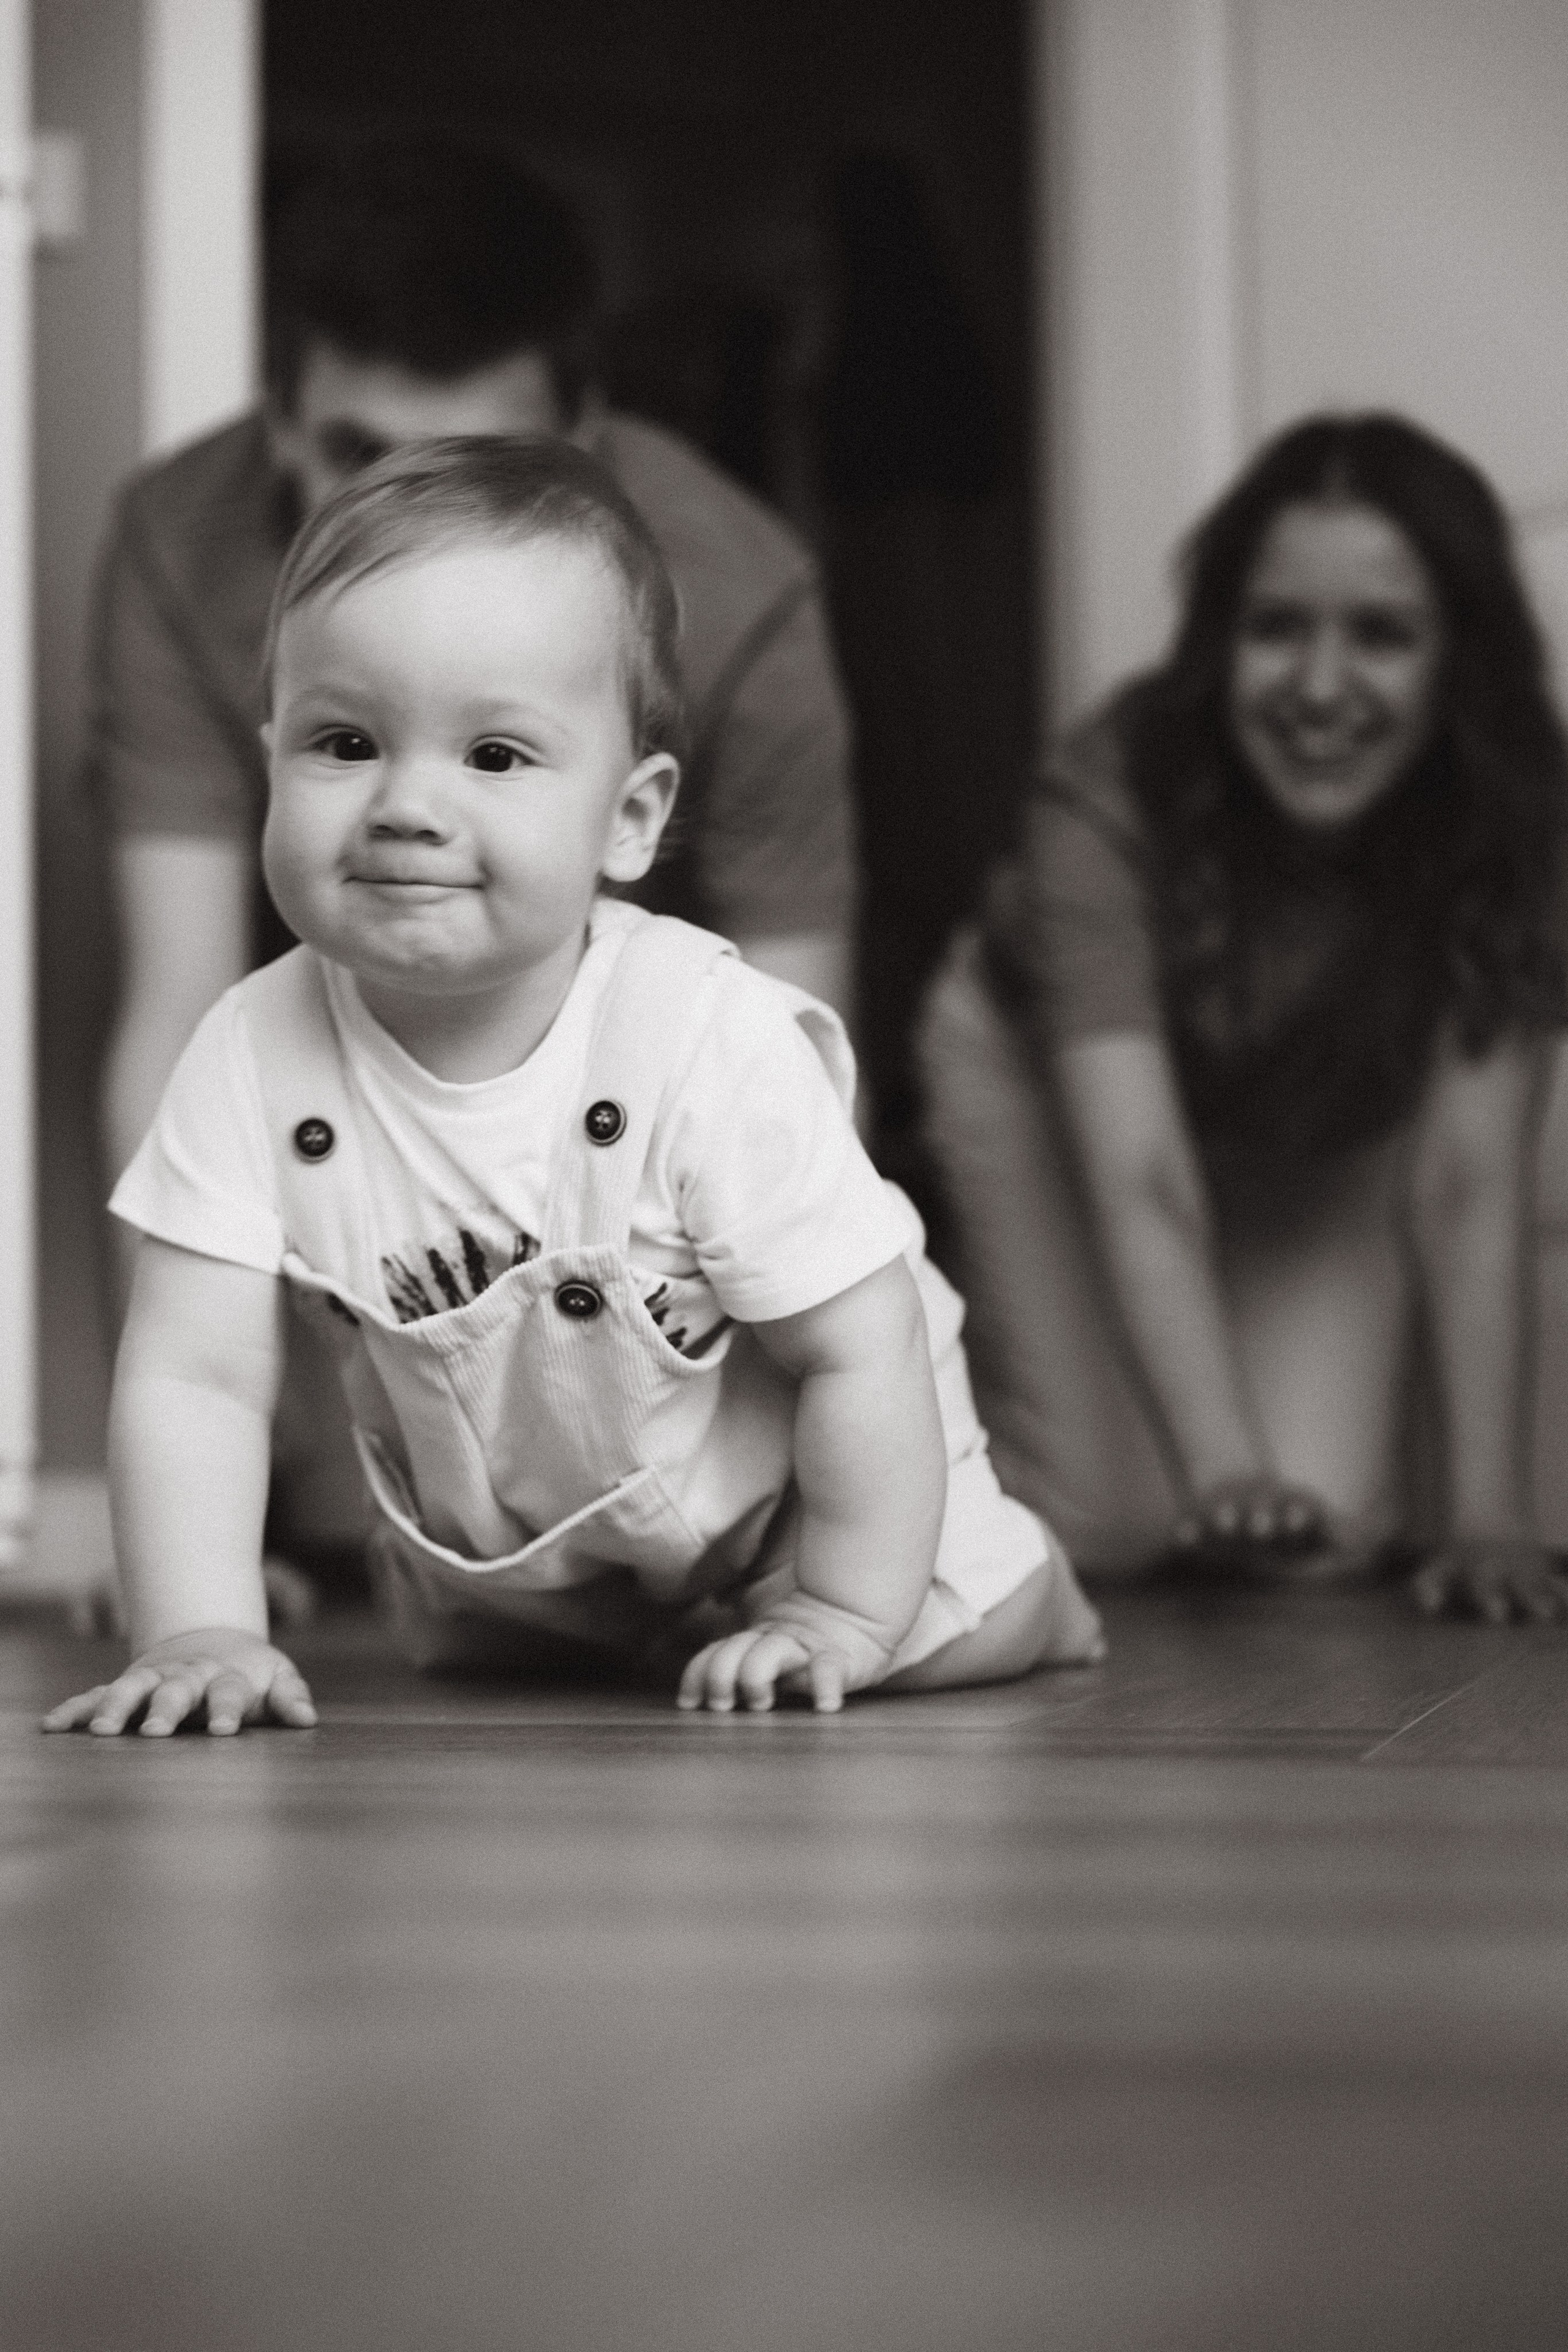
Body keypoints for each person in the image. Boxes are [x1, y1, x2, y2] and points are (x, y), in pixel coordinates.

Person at [45, 438, 1102, 1736]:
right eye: (343, 742)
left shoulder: (702, 1035)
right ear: (271, 761)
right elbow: (193, 1376)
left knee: (935, 1629)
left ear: (630, 820)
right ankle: (654, 1621)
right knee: (526, 1665)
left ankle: (1029, 1596)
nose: (405, 806)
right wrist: (200, 1627)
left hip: (813, 1502)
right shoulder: (248, 1053)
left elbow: (857, 1349)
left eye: (493, 756)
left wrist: (840, 1609)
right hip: (540, 1552)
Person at [91, 136, 859, 1564]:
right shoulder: (175, 549)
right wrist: (200, 1523)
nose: (408, 517)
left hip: (637, 1096)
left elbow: (798, 1068)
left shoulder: (742, 593)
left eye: (488, 463)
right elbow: (178, 1009)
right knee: (347, 1520)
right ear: (277, 422)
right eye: (353, 458)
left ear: (595, 428)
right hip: (352, 1051)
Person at [919, 412, 1568, 1623]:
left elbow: (1466, 1180)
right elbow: (1146, 1175)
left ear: (1458, 661)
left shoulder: (1515, 820)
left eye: (1379, 636)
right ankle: (960, 1354)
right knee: (1121, 1528)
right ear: (1219, 643)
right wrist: (1222, 1474)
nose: (1319, 688)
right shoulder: (1103, 798)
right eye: (1277, 630)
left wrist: (1489, 1518)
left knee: (1317, 1535)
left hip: (1312, 1114)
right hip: (1056, 1090)